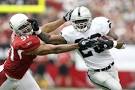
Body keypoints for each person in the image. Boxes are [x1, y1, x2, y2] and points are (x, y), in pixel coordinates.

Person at [38, 6, 125, 90]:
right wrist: (38, 31)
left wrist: (109, 42)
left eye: (83, 20)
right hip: (96, 72)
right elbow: (49, 39)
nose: (81, 24)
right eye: (77, 21)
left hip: (112, 68)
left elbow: (118, 40)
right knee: (116, 88)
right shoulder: (70, 33)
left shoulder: (99, 24)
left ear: (89, 19)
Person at [0, 13, 92, 90]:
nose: (26, 29)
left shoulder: (22, 35)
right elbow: (54, 49)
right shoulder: (22, 44)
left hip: (23, 74)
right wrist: (78, 45)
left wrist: (64, 19)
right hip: (6, 77)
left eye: (26, 24)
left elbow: (45, 29)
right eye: (22, 27)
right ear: (16, 30)